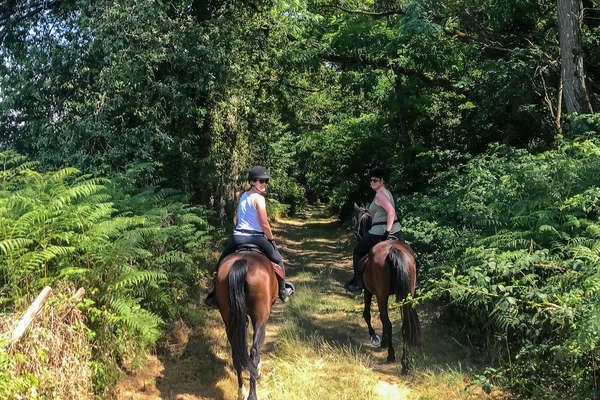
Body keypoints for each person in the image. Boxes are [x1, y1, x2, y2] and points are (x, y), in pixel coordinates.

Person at [204, 166, 294, 308]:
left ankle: (215, 295)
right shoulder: (259, 199)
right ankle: (283, 291)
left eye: (266, 181)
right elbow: (264, 223)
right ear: (252, 181)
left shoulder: (243, 196)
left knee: (221, 262)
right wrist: (271, 238)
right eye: (261, 181)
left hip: (238, 237)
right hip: (256, 238)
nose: (265, 184)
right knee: (278, 260)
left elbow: (238, 218)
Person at [344, 167, 404, 292]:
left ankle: (358, 283)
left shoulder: (380, 195)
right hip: (397, 230)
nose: (372, 182)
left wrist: (387, 232)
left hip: (380, 231)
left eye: (375, 180)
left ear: (382, 181)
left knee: (357, 251)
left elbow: (391, 212)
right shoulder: (388, 192)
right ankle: (414, 283)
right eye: (371, 180)